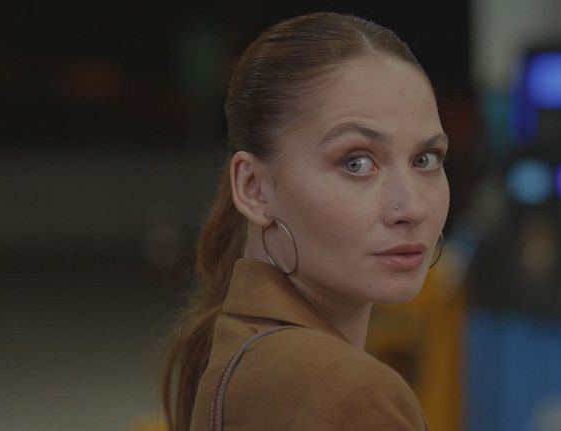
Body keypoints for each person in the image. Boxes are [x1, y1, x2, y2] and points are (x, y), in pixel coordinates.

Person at [162, 11, 449, 431]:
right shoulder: (352, 393)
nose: (412, 208)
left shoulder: (240, 352)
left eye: (425, 159)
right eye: (356, 162)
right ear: (254, 188)